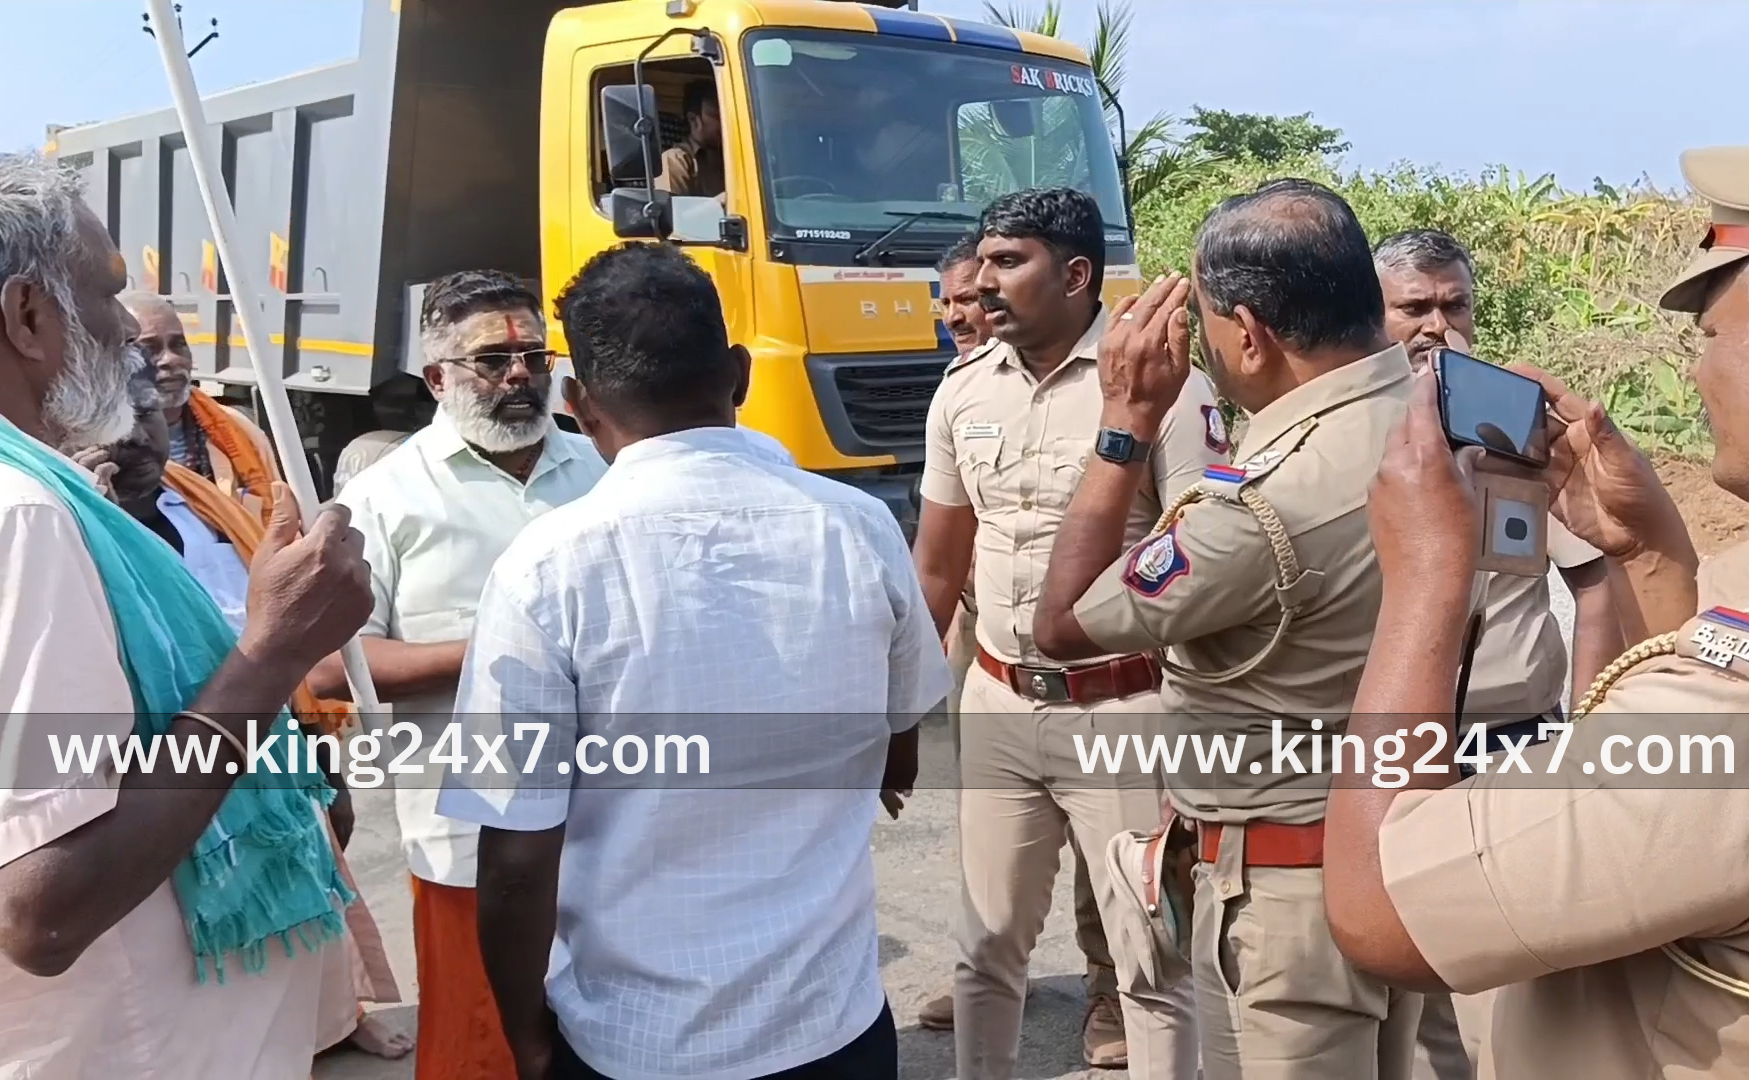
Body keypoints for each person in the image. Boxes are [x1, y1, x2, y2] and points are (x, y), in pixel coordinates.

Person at [1326, 139, 1749, 1078]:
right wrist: (1651, 554)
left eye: (1711, 337)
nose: (1700, 374)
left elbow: (1381, 910)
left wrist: (1426, 579)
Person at [436, 241, 950, 1080]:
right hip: (834, 1026)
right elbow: (900, 747)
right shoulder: (859, 527)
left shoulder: (544, 570)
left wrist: (526, 1036)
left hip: (638, 1040)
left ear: (578, 405)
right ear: (740, 374)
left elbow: (517, 855)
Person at [0, 151, 369, 1077]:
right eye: (106, 293)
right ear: (26, 315)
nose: (129, 330)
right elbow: (42, 905)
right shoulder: (11, 517)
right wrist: (269, 657)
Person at [1033, 178, 1419, 1079]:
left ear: (1249, 333)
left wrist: (1126, 421)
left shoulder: (1263, 509)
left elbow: (1063, 620)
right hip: (1397, 853)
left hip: (1288, 898)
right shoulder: (1435, 415)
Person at [914, 189, 1216, 1078]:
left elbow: (1199, 556)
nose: (983, 283)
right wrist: (896, 709)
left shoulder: (1163, 388)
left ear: (1077, 274)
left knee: (1151, 958)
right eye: (984, 262)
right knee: (986, 947)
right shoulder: (963, 391)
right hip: (999, 702)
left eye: (1010, 263)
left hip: (1123, 709)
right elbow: (937, 569)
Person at [306, 269, 606, 1080]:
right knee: (483, 1051)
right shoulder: (385, 496)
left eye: (534, 356)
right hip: (470, 838)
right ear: (437, 378)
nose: (519, 375)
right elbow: (332, 665)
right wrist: (501, 647)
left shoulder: (601, 467)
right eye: (493, 360)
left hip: (611, 822)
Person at [97, 354, 411, 1063]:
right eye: (116, 420)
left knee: (314, 855)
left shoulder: (194, 500)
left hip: (269, 719)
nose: (136, 435)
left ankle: (335, 1015)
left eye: (147, 416)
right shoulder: (74, 523)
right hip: (172, 752)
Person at [1371, 228, 1625, 1078]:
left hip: (1510, 753)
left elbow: (1594, 579)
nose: (1437, 326)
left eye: (1455, 305)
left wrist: (1588, 740)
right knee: (1386, 1002)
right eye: (1413, 307)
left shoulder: (1517, 426)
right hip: (1393, 755)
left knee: (1499, 1020)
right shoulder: (1351, 436)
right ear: (1373, 315)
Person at [122, 289, 280, 519]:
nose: (171, 359)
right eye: (149, 348)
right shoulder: (104, 443)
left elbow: (277, 513)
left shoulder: (240, 430)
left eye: (178, 344)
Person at [654, 81, 724, 200]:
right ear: (694, 120)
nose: (724, 123)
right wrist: (721, 202)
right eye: (716, 116)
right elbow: (673, 210)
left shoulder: (732, 158)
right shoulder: (676, 160)